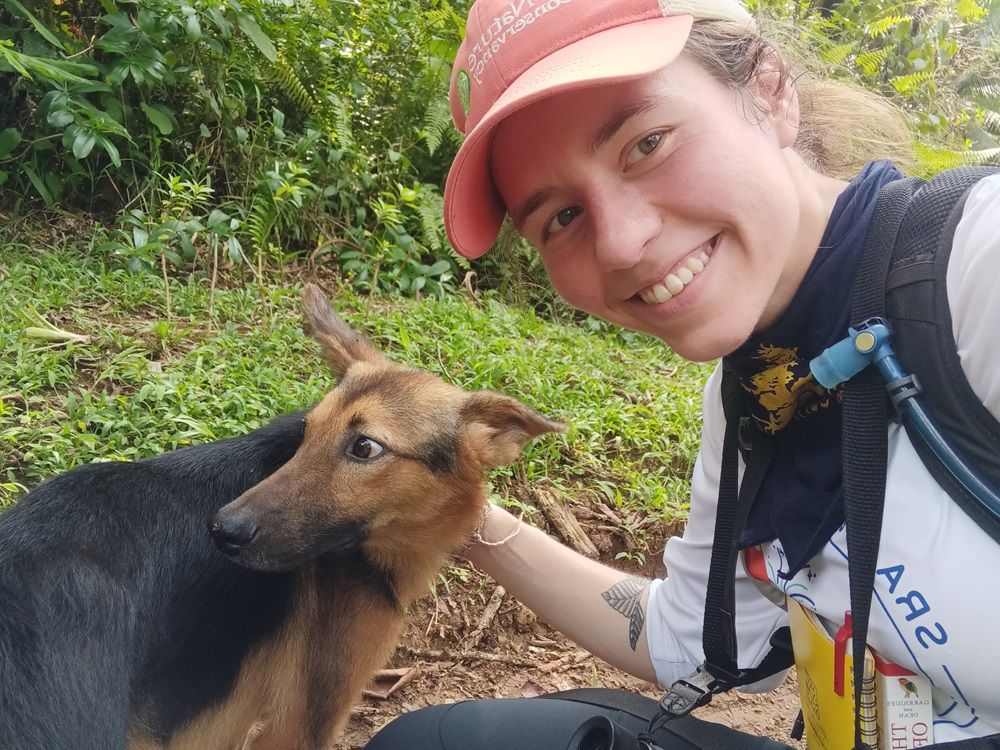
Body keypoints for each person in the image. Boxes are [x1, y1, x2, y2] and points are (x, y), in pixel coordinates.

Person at [366, 0, 1000, 747]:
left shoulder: (974, 271)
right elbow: (691, 640)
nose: (624, 243)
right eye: (561, 218)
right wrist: (461, 515)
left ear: (770, 91)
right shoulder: (754, 394)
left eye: (647, 143)